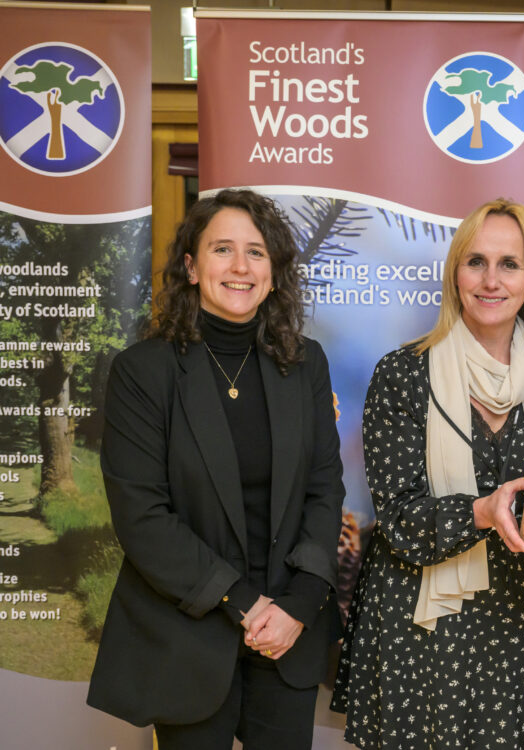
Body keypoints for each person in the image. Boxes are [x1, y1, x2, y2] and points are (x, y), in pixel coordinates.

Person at [87, 189, 345, 750]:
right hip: (188, 637)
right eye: (222, 249)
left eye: (256, 252)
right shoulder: (143, 372)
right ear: (191, 266)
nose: (239, 266)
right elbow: (142, 517)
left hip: (287, 637)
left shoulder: (305, 364)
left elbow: (325, 491)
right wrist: (245, 603)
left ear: (273, 272)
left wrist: (297, 608)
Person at [332, 198, 524, 749]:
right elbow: (396, 517)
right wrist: (482, 512)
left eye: (509, 264)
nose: (491, 280)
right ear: (454, 274)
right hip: (423, 624)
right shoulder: (402, 373)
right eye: (476, 262)